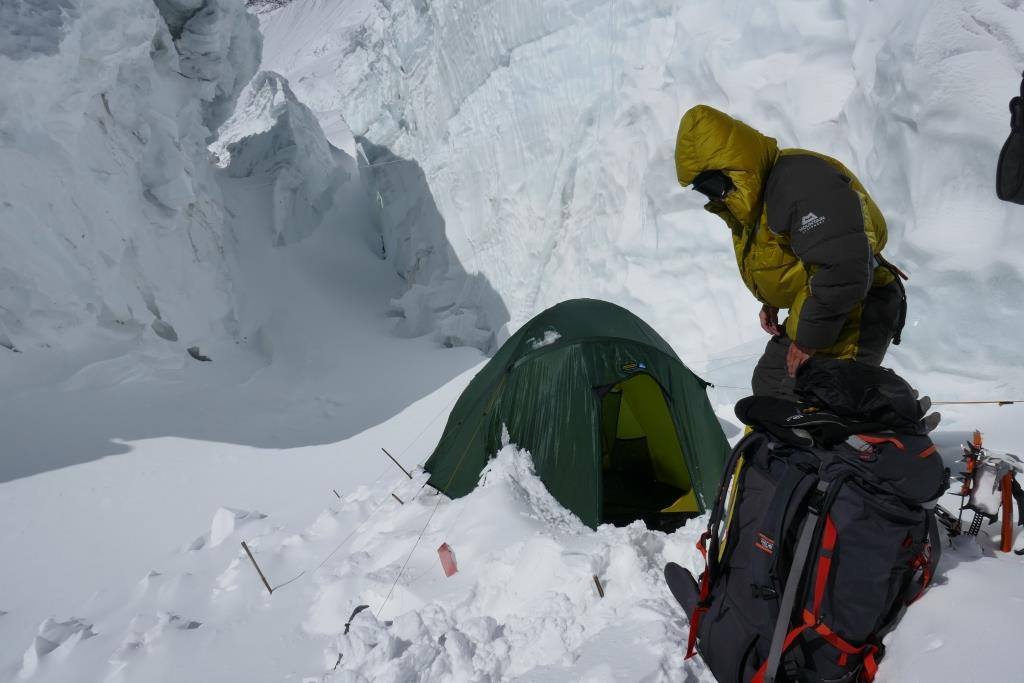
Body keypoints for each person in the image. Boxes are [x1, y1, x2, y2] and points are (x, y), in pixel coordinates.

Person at [674, 105, 907, 401]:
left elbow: (843, 266)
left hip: (857, 307)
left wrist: (808, 342)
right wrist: (770, 301)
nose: (710, 194)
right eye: (701, 189)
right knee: (771, 387)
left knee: (806, 401)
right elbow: (786, 256)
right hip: (832, 306)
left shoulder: (800, 181)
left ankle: (892, 436)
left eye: (710, 183)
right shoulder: (761, 196)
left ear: (735, 165)